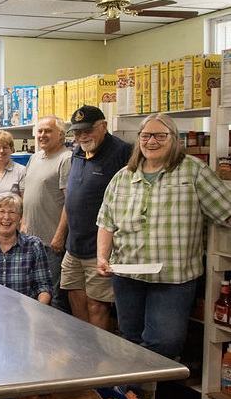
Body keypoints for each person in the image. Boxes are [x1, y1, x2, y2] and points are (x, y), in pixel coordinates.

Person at [97, 113, 231, 358]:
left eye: (161, 136)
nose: (152, 142)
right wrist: (102, 258)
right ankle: (138, 394)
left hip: (173, 278)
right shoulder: (124, 176)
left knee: (165, 342)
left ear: (174, 139)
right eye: (146, 136)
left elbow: (226, 209)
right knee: (131, 339)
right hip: (128, 274)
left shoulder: (193, 171)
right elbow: (106, 223)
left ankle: (142, 386)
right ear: (139, 139)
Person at [61, 105, 132, 330]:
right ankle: (84, 352)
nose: (81, 136)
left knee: (97, 306)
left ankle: (100, 359)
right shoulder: (77, 152)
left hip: (100, 248)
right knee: (75, 298)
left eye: (87, 130)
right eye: (77, 132)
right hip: (74, 245)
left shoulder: (122, 152)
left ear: (103, 126)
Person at [21, 115, 72, 312]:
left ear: (61, 135)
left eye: (47, 131)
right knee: (35, 292)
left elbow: (69, 202)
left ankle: (54, 341)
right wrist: (24, 223)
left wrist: (59, 235)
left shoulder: (66, 159)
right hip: (31, 239)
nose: (42, 135)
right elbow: (28, 195)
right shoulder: (35, 157)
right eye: (40, 131)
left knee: (54, 297)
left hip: (52, 243)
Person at [0, 193, 52, 304]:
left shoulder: (34, 246)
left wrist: (38, 310)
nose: (6, 217)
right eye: (1, 212)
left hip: (24, 315)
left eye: (12, 212)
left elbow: (44, 285)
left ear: (20, 217)